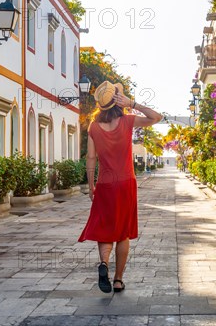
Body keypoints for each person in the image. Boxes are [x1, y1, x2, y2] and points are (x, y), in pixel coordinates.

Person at [78, 81, 162, 293]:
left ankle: (104, 264)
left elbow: (91, 159)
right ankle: (117, 280)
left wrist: (91, 186)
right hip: (125, 184)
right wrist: (133, 103)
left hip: (105, 185)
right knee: (122, 233)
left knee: (105, 230)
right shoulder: (127, 121)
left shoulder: (94, 127)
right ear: (118, 101)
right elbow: (156, 117)